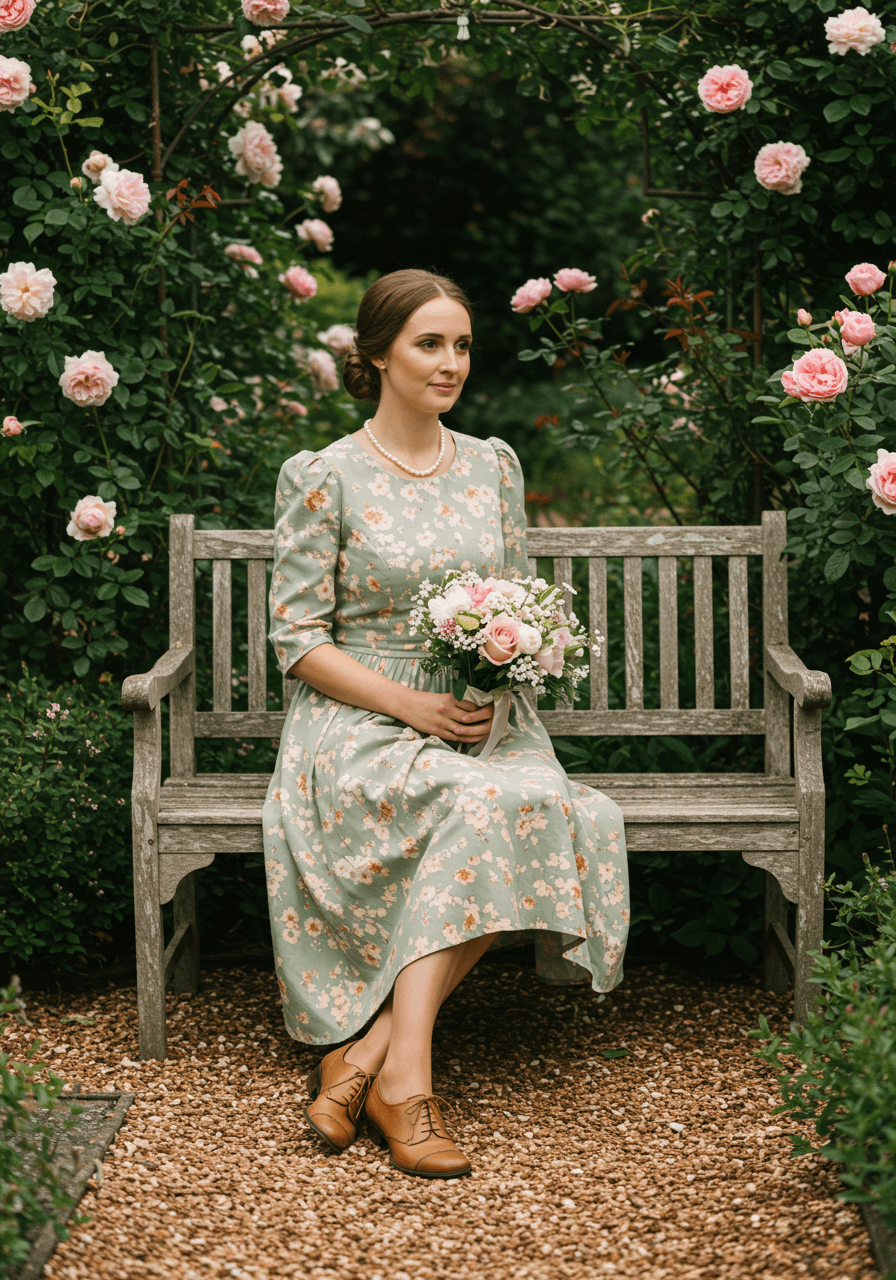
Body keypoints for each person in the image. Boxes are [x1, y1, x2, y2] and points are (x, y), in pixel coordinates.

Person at [262, 268, 630, 1180]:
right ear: (377, 354)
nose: (451, 361)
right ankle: (411, 1085)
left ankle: (367, 1057)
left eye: (462, 344)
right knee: (485, 809)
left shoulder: (492, 466)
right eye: (430, 343)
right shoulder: (325, 476)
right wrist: (409, 704)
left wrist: (506, 661)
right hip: (358, 722)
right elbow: (297, 640)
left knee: (538, 802)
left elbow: (510, 598)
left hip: (481, 719)